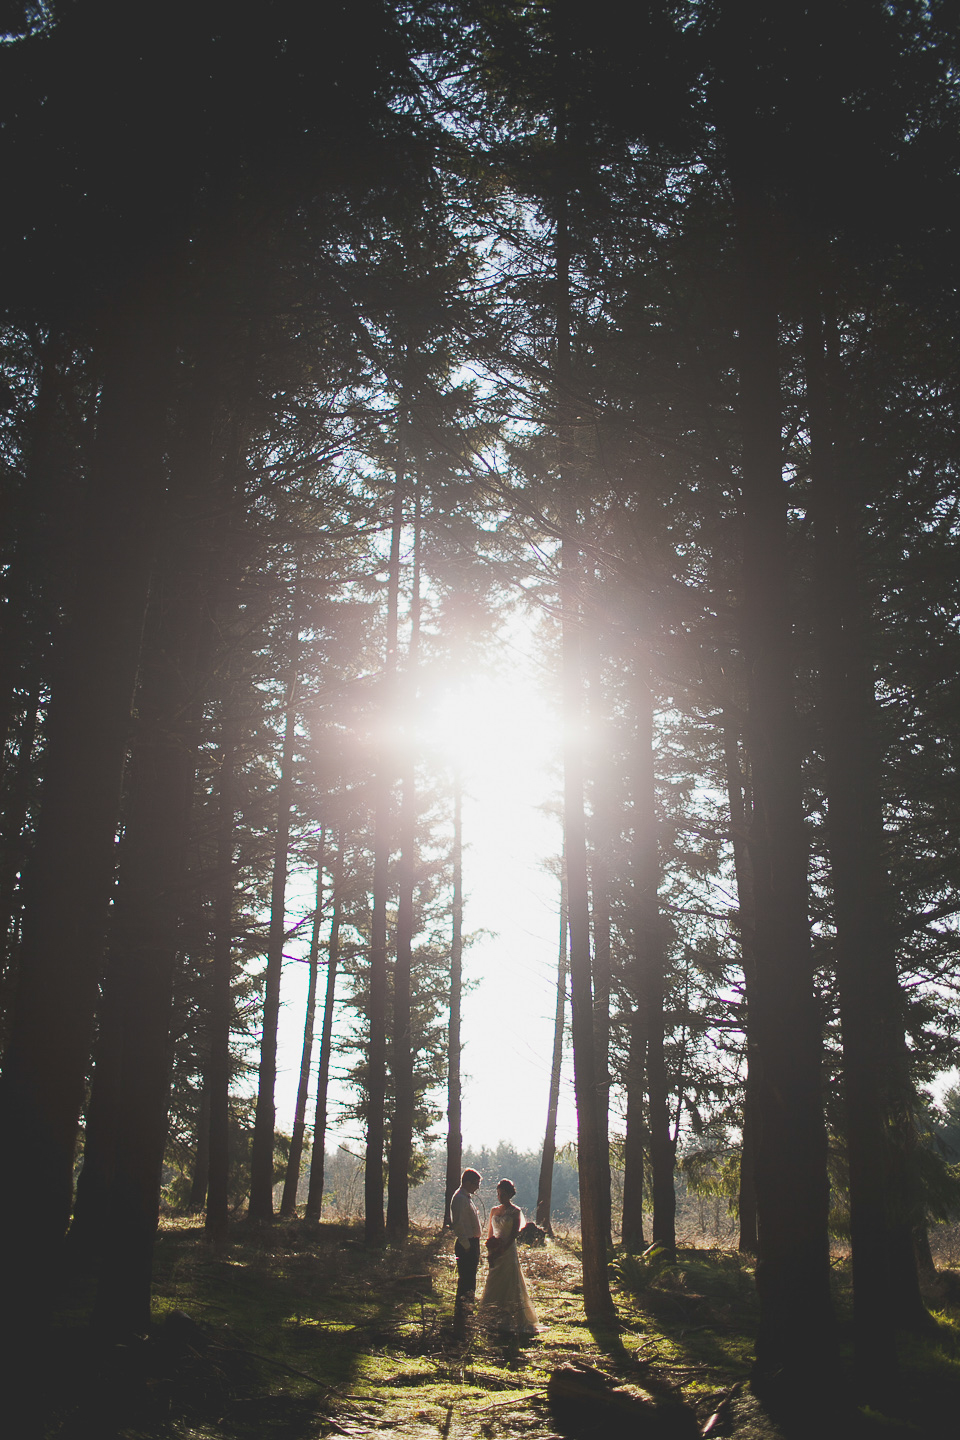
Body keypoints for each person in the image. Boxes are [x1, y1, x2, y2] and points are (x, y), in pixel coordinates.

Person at [479, 1178, 539, 1337]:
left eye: (503, 1194)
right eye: (498, 1194)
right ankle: (490, 1316)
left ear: (509, 1194)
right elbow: (490, 1232)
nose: (500, 1197)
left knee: (510, 1280)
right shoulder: (494, 1210)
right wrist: (491, 1248)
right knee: (494, 1279)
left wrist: (503, 1248)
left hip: (508, 1250)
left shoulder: (515, 1211)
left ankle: (513, 1317)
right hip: (495, 1249)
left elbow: (514, 1234)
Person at [450, 1168, 482, 1316]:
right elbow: (458, 1224)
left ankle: (467, 1310)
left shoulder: (466, 1197)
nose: (477, 1187)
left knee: (471, 1279)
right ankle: (463, 1311)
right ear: (467, 1182)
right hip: (466, 1245)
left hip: (472, 1243)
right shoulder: (460, 1199)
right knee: (466, 1279)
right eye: (476, 1183)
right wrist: (467, 1245)